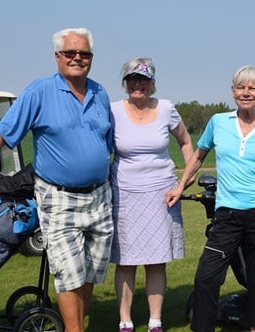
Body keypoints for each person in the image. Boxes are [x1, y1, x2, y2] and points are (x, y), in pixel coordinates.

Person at [0, 28, 114, 332]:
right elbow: (4, 130)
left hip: (99, 195)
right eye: (70, 53)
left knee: (92, 272)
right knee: (68, 272)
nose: (77, 58)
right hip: (58, 195)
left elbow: (106, 141)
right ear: (57, 56)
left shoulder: (100, 92)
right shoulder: (39, 91)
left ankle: (77, 324)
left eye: (84, 54)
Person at [166, 65, 255, 332]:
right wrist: (180, 186)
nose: (245, 93)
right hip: (227, 215)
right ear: (233, 91)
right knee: (206, 278)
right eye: (240, 87)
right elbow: (198, 155)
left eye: (252, 88)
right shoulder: (218, 122)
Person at [110, 57, 194, 332]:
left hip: (162, 194)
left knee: (156, 260)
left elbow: (185, 141)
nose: (138, 85)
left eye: (144, 80)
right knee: (126, 261)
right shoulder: (112, 111)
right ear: (125, 83)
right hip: (124, 194)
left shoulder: (167, 108)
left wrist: (186, 178)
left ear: (152, 84)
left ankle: (155, 321)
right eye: (133, 79)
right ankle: (125, 322)